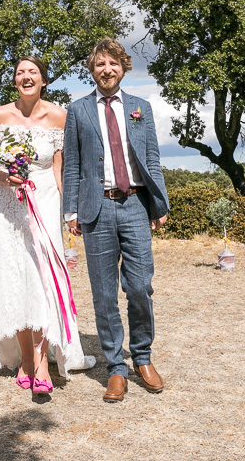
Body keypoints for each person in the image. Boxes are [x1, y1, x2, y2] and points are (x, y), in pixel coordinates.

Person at [0, 56, 94, 395]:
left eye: (33, 72)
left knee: (42, 282)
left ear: (43, 79)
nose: (26, 77)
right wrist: (3, 177)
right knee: (16, 280)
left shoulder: (59, 116)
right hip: (7, 205)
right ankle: (26, 360)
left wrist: (71, 213)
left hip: (43, 203)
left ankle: (44, 362)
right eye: (19, 73)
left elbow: (60, 169)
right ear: (14, 80)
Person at [62, 38, 170, 403]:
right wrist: (72, 211)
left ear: (123, 67)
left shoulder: (141, 108)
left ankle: (142, 357)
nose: (106, 70)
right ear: (92, 71)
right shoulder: (78, 111)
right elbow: (73, 164)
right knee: (104, 293)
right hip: (97, 209)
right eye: (99, 65)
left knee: (140, 287)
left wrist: (159, 203)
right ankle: (115, 368)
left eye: (113, 64)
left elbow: (152, 159)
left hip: (136, 204)